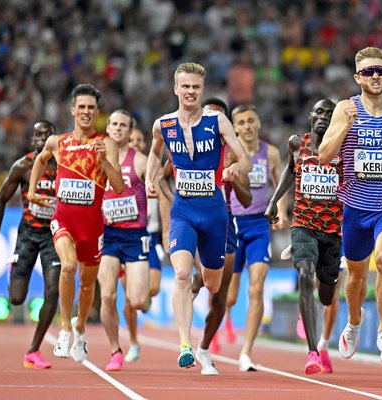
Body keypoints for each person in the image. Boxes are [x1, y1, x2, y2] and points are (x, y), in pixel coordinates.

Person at [145, 62, 252, 369]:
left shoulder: (217, 121)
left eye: (195, 87)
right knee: (180, 275)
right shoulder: (162, 125)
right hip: (183, 211)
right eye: (185, 86)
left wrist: (234, 169)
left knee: (213, 284)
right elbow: (155, 152)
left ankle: (203, 283)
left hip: (215, 212)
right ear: (175, 89)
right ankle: (184, 344)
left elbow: (244, 160)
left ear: (202, 91)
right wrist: (151, 179)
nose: (190, 92)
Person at [318, 46, 382, 365]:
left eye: (381, 71)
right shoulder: (345, 109)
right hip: (355, 207)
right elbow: (323, 156)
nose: (375, 76)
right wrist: (345, 126)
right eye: (368, 72)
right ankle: (354, 322)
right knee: (357, 277)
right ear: (357, 77)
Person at [28, 84, 125, 363]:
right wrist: (33, 190)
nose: (85, 112)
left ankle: (80, 326)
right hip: (64, 220)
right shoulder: (57, 142)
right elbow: (40, 160)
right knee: (68, 266)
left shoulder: (106, 144)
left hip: (92, 227)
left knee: (86, 285)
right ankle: (65, 328)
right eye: (80, 107)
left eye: (90, 108)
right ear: (73, 110)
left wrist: (104, 159)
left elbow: (117, 186)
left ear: (97, 112)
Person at [265, 99, 342, 374]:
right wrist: (275, 200)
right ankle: (313, 352)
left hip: (334, 231)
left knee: (326, 296)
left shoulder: (343, 147)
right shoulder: (297, 143)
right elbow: (290, 168)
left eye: (329, 114)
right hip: (303, 225)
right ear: (311, 116)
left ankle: (312, 305)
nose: (323, 117)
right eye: (319, 112)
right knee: (304, 272)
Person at [0, 121, 60, 369]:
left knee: (52, 291)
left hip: (54, 234)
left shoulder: (64, 167)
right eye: (37, 135)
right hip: (27, 234)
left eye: (46, 135)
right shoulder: (24, 166)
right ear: (32, 140)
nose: (41, 139)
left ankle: (34, 350)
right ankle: (14, 271)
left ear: (54, 139)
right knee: (17, 299)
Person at [190, 97, 252, 375]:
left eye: (218, 117)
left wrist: (235, 177)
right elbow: (163, 179)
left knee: (220, 298)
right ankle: (183, 339)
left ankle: (203, 348)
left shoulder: (233, 154)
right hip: (191, 219)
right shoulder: (187, 145)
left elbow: (247, 200)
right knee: (191, 274)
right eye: (209, 115)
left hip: (224, 223)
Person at [225, 104, 285, 372]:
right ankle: (223, 320)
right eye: (242, 122)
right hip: (232, 224)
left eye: (251, 121)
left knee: (256, 288)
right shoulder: (227, 153)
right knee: (229, 296)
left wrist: (281, 212)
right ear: (234, 127)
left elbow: (281, 185)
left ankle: (246, 351)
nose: (247, 126)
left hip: (259, 225)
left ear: (258, 123)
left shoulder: (270, 153)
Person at [98, 110, 150, 371]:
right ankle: (115, 351)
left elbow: (155, 188)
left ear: (130, 132)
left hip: (134, 236)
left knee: (138, 301)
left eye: (123, 125)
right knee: (107, 296)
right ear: (107, 128)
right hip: (107, 236)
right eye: (114, 124)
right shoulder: (97, 160)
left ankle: (134, 280)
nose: (118, 129)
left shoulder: (140, 161)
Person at [122, 123, 162, 363]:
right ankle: (134, 342)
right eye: (132, 140)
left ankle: (142, 297)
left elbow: (165, 200)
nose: (136, 144)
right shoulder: (123, 169)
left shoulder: (152, 167)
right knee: (129, 297)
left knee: (153, 288)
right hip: (127, 236)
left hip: (152, 235)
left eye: (139, 140)